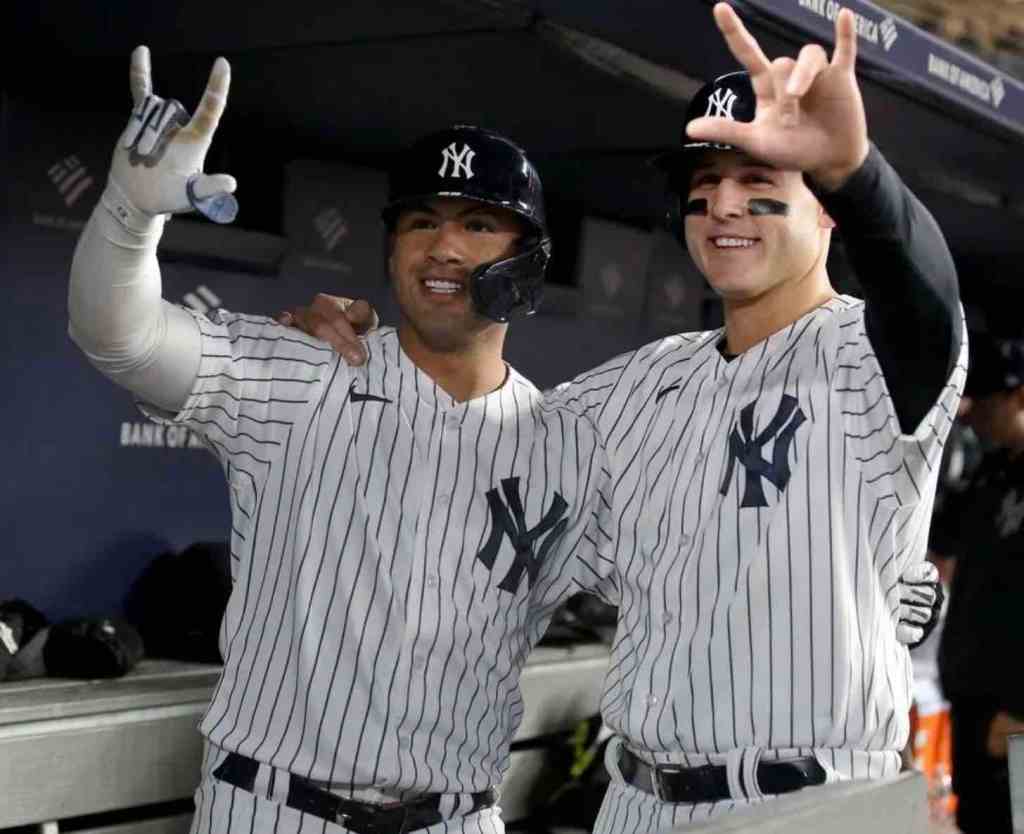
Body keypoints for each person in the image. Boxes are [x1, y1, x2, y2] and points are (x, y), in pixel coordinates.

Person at [283, 4, 963, 829]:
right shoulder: (635, 387)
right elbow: (471, 446)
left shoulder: (874, 354)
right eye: (703, 187)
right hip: (639, 800)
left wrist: (855, 172)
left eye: (759, 183)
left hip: (811, 800)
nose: (723, 205)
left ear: (822, 210)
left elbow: (925, 294)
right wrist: (359, 356)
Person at [67, 47, 615, 834]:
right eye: (421, 222)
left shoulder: (567, 445)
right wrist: (129, 213)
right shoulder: (302, 372)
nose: (444, 247)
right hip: (275, 808)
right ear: (392, 251)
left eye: (477, 224)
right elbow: (120, 336)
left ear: (529, 261)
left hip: (457, 816)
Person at [931, 331, 1024, 834]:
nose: (976, 416)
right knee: (979, 821)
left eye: (986, 404)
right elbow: (941, 540)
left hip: (1015, 711)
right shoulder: (989, 472)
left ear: (1019, 396)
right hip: (972, 697)